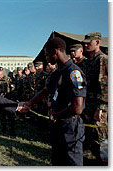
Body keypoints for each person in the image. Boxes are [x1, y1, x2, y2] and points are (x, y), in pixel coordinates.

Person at [24, 37, 87, 166]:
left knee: (72, 163)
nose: (46, 58)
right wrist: (30, 103)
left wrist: (56, 115)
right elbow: (46, 91)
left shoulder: (73, 72)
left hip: (70, 128)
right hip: (58, 126)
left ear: (56, 51)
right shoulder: (58, 72)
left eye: (47, 54)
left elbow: (77, 108)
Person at [82, 32, 108, 165]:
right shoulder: (89, 61)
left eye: (89, 42)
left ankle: (105, 163)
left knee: (101, 136)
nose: (86, 45)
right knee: (90, 134)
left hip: (99, 107)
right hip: (89, 104)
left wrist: (101, 108)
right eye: (85, 42)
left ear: (97, 42)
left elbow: (106, 86)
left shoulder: (103, 60)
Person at [0, 66, 15, 136]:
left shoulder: (8, 79)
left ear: (3, 72)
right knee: (2, 116)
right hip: (0, 101)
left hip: (8, 100)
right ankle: (4, 130)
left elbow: (13, 89)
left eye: (0, 71)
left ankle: (12, 131)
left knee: (11, 116)